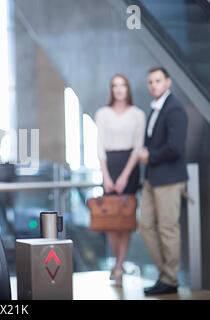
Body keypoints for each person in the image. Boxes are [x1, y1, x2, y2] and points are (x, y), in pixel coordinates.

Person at [138, 67, 188, 295]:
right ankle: (165, 274)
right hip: (152, 178)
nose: (153, 85)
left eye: (158, 81)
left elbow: (176, 148)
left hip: (168, 179)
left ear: (168, 82)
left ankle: (169, 279)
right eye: (150, 82)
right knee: (145, 224)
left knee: (168, 229)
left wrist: (150, 156)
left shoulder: (175, 109)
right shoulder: (157, 108)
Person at [95, 74, 146, 286]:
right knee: (109, 222)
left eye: (122, 85)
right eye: (115, 86)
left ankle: (119, 265)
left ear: (128, 88)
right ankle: (118, 262)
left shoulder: (137, 114)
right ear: (111, 89)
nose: (119, 89)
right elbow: (99, 146)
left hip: (129, 168)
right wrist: (106, 176)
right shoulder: (103, 113)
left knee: (124, 221)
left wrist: (125, 176)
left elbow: (138, 147)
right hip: (109, 166)